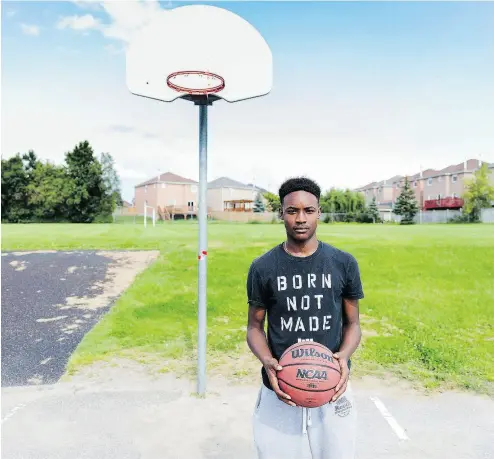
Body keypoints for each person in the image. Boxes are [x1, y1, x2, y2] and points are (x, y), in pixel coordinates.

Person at [246, 177, 364, 459]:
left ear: (319, 213)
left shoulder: (343, 263)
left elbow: (353, 324)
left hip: (332, 384)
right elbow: (254, 328)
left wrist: (344, 357)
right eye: (292, 211)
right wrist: (268, 362)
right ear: (281, 214)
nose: (301, 218)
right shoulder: (263, 267)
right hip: (281, 386)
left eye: (309, 211)